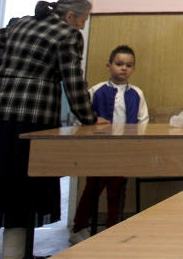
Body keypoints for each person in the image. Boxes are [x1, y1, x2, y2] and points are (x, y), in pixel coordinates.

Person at [0, 0, 105, 259]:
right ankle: (16, 254)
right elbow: (72, 81)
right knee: (20, 187)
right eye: (83, 20)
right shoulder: (67, 35)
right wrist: (89, 118)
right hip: (28, 116)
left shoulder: (22, 23)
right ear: (71, 17)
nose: (83, 27)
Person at [69, 45, 149, 244]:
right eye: (119, 64)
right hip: (98, 151)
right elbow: (81, 120)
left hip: (123, 151)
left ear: (134, 68)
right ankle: (79, 228)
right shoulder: (95, 91)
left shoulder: (137, 93)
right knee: (92, 189)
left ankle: (113, 228)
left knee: (117, 189)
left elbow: (143, 120)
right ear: (109, 65)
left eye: (129, 65)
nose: (124, 69)